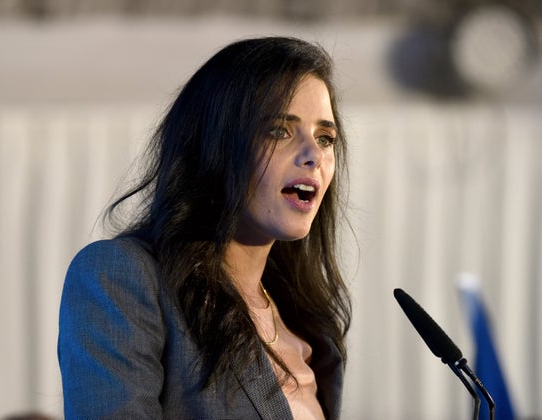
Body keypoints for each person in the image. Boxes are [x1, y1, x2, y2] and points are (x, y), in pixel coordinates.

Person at [58, 36, 352, 419]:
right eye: (280, 130)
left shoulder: (308, 322)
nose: (314, 155)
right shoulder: (124, 276)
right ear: (215, 145)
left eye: (325, 137)